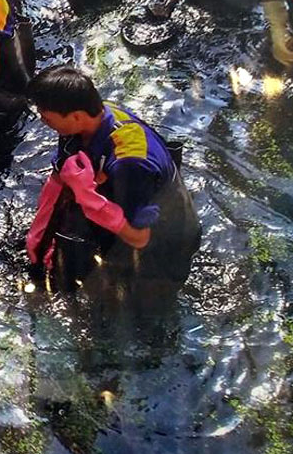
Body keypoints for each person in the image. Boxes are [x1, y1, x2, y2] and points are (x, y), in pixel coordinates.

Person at [25, 66, 200, 293]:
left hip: (160, 244)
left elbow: (140, 238)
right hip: (123, 206)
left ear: (76, 115)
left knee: (136, 311)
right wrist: (39, 239)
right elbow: (60, 178)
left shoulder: (130, 162)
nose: (42, 121)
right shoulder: (89, 119)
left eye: (47, 118)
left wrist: (87, 197)